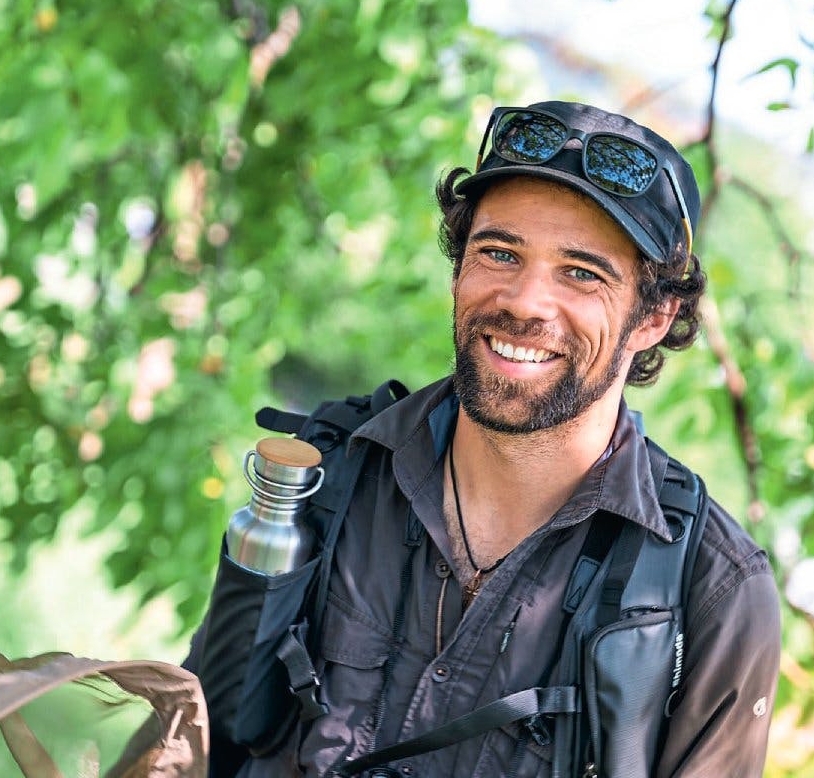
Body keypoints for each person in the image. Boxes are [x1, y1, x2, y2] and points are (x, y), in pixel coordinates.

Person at [187, 100, 781, 777]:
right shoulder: (334, 473)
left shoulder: (713, 595)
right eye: (499, 253)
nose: (524, 301)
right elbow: (190, 737)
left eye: (582, 273)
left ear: (654, 318)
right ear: (458, 268)